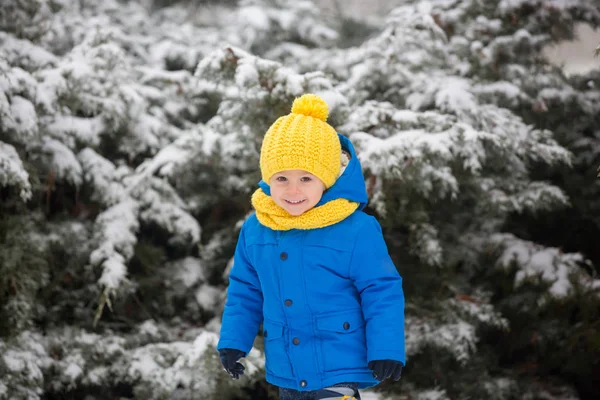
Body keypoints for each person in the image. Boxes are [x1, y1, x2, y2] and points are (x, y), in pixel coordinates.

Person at [217, 94, 405, 400]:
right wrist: (234, 342)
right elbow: (245, 290)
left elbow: (381, 289)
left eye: (306, 178)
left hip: (339, 368)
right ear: (267, 178)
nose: (293, 190)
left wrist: (386, 348)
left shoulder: (356, 228)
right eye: (281, 178)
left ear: (326, 180)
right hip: (286, 370)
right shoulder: (256, 228)